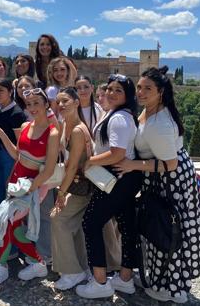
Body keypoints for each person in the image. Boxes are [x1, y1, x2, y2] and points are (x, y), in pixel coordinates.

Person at [112, 67, 200, 303]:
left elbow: (169, 164)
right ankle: (175, 282)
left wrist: (132, 165)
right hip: (169, 179)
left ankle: (171, 287)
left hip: (170, 181)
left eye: (147, 89)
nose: (140, 92)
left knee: (166, 229)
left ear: (160, 92)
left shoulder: (159, 124)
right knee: (173, 228)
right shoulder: (152, 111)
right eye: (139, 87)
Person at [0, 88, 59, 287]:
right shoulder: (26, 125)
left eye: (37, 103)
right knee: (15, 226)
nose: (33, 107)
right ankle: (37, 262)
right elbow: (18, 155)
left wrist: (29, 188)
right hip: (17, 182)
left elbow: (49, 169)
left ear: (46, 105)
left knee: (7, 221)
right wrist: (1, 134)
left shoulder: (53, 133)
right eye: (29, 104)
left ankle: (1, 266)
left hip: (32, 186)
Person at [76, 74, 140, 300]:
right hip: (124, 179)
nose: (112, 93)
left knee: (91, 223)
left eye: (118, 90)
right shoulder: (119, 114)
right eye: (110, 89)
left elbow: (117, 153)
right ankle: (124, 279)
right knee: (126, 224)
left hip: (116, 178)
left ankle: (100, 281)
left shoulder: (119, 118)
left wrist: (90, 161)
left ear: (127, 96)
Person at [50, 87, 94, 290]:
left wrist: (61, 192)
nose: (61, 105)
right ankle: (81, 268)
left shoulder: (77, 130)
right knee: (72, 226)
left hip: (79, 186)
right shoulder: (69, 124)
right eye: (58, 102)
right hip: (76, 184)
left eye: (65, 101)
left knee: (58, 219)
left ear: (77, 102)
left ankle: (71, 271)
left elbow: (74, 165)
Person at [0, 78, 26, 206]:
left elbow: (20, 147)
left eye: (1, 90)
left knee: (7, 199)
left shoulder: (16, 114)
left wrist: (13, 173)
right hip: (0, 157)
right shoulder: (0, 110)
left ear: (10, 91)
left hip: (10, 160)